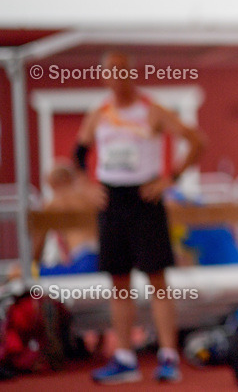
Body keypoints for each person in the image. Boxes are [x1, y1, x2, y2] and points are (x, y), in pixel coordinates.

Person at [75, 51, 205, 384]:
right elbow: (79, 153)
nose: (117, 77)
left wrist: (170, 178)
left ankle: (168, 356)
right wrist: (87, 187)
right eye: (110, 71)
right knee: (119, 281)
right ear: (104, 77)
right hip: (111, 200)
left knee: (157, 279)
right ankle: (124, 358)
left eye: (122, 70)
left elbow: (195, 141)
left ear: (133, 74)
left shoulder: (152, 110)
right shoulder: (99, 114)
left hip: (144, 199)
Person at [32, 160, 102, 276]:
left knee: (19, 272)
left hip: (84, 263)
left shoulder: (54, 204)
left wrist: (32, 270)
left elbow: (37, 248)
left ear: (52, 185)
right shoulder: (94, 194)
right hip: (108, 259)